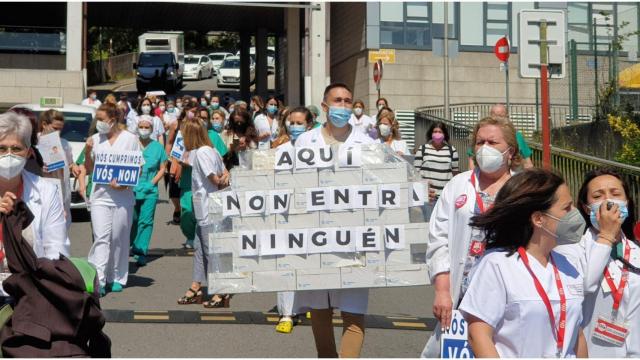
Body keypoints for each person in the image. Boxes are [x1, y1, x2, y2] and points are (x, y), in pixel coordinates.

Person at [459, 169, 588, 357]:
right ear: (538, 219)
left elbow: (577, 334)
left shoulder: (568, 265)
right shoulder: (497, 265)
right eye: (567, 208)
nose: (574, 214)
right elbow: (478, 334)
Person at [421, 116, 521, 357]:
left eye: (492, 142)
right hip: (461, 296)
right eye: (479, 142)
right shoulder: (458, 185)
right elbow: (438, 240)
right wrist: (443, 290)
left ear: (510, 151)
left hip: (507, 297)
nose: (484, 148)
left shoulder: (523, 188)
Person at [295, 83, 376, 358]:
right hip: (315, 236)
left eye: (348, 101)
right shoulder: (305, 142)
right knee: (319, 306)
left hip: (355, 237)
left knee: (354, 308)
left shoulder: (366, 143)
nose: (343, 106)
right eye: (337, 101)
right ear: (325, 106)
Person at [555, 169, 638, 356]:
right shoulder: (570, 248)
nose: (608, 201)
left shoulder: (636, 252)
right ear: (585, 208)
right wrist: (606, 236)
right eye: (598, 196)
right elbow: (585, 285)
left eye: (616, 194)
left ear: (627, 202)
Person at [84, 103, 140, 296]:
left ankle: (116, 276)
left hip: (122, 198)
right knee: (101, 237)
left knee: (118, 238)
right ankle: (98, 278)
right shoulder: (94, 139)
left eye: (101, 119)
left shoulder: (130, 139)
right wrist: (87, 151)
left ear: (113, 120)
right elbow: (90, 170)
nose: (98, 123)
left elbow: (137, 167)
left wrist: (124, 184)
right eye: (96, 119)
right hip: (100, 197)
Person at [0, 112, 69, 262]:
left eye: (17, 149)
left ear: (29, 153)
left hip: (29, 281)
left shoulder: (47, 191)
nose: (9, 155)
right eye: (2, 149)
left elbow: (57, 249)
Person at [177, 117, 230, 308]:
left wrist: (222, 180)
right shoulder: (210, 150)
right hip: (204, 209)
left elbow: (215, 179)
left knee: (210, 251)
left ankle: (221, 291)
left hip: (209, 209)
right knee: (200, 250)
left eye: (183, 134)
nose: (182, 138)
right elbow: (225, 171)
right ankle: (196, 286)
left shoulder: (202, 153)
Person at [273, 107, 315, 334]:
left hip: (311, 213)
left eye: (299, 122)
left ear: (309, 125)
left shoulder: (320, 150)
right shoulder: (280, 150)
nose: (295, 126)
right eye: (292, 122)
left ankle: (307, 302)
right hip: (285, 214)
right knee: (286, 262)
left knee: (307, 259)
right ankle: (286, 313)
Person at [130, 116, 167, 266]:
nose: (144, 130)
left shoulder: (157, 147)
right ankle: (130, 244)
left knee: (146, 221)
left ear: (152, 130)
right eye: (141, 127)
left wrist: (152, 183)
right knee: (132, 220)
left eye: (147, 127)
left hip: (150, 190)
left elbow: (163, 167)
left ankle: (140, 251)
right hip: (131, 189)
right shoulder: (131, 145)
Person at [38, 109, 78, 228]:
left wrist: (74, 167)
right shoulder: (34, 143)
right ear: (44, 124)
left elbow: (70, 163)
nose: (58, 132)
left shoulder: (65, 144)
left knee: (61, 234)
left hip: (62, 194)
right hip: (42, 195)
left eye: (61, 128)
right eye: (55, 128)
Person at [468, 104, 534, 170]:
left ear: (507, 117)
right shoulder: (481, 134)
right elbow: (472, 159)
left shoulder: (517, 136)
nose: (497, 118)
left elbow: (527, 161)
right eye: (494, 115)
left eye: (500, 116)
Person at [413, 122, 460, 206]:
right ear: (431, 134)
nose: (437, 134)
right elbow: (415, 172)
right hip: (427, 195)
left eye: (440, 132)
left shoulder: (452, 150)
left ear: (444, 134)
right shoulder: (422, 149)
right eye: (435, 131)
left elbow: (455, 173)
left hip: (445, 195)